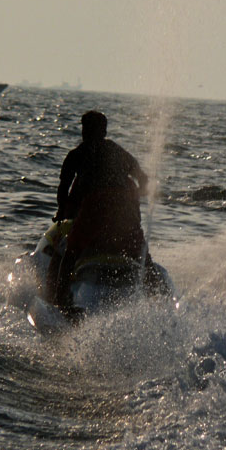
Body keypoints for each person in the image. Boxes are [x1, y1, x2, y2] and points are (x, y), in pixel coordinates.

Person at [48, 110, 151, 305]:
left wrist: (61, 213)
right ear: (104, 131)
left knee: (70, 254)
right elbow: (144, 180)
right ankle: (158, 295)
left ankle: (60, 302)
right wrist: (133, 197)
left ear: (84, 131)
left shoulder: (77, 154)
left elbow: (63, 189)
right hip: (126, 209)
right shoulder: (118, 151)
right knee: (142, 252)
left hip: (95, 206)